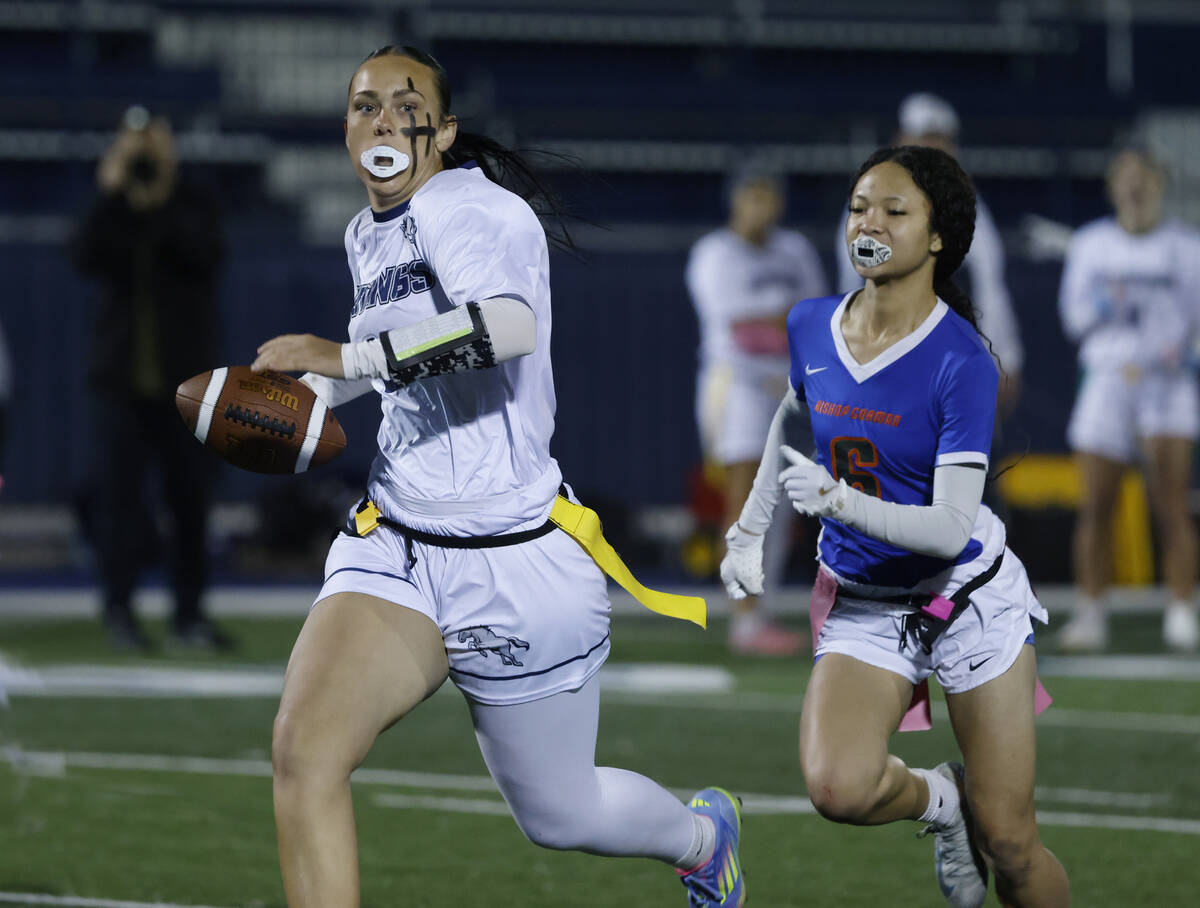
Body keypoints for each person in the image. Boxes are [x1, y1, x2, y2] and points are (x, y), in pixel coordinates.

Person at [251, 46, 744, 908]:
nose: (381, 120)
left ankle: (703, 838)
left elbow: (506, 327)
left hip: (512, 557)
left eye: (405, 106)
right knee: (304, 750)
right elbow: (398, 360)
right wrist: (313, 393)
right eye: (363, 104)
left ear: (441, 133)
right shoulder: (366, 230)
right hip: (398, 543)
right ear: (345, 129)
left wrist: (348, 353)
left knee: (560, 813)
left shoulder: (477, 209)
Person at [722, 146, 1069, 907]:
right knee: (837, 786)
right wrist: (750, 527)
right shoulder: (811, 323)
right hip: (866, 600)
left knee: (1011, 842)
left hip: (963, 598)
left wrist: (839, 502)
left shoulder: (962, 361)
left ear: (938, 236)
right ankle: (944, 802)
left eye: (892, 210)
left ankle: (982, 824)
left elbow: (948, 530)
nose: (867, 223)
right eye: (857, 208)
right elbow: (795, 409)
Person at [72, 107, 229, 651]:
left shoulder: (192, 201)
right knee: (120, 504)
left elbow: (205, 254)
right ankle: (120, 610)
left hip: (186, 384)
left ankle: (190, 614)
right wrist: (115, 194)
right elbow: (83, 254)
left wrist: (159, 197)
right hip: (122, 385)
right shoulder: (114, 209)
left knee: (189, 502)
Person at [1056, 145, 1200, 653]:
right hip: (1108, 382)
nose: (1135, 187)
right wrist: (1103, 302)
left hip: (1168, 384)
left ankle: (1181, 609)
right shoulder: (1091, 245)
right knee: (1096, 505)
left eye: (1144, 177)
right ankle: (1092, 612)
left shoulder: (1187, 247)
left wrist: (1179, 356)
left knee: (1171, 503)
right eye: (1126, 177)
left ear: (1159, 183)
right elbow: (1073, 320)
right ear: (1114, 186)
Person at [687, 166, 828, 655]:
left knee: (785, 505)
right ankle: (744, 617)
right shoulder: (714, 253)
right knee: (746, 496)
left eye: (769, 196)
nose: (762, 207)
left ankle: (760, 610)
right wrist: (781, 319)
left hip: (787, 386)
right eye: (753, 196)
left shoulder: (795, 250)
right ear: (735, 200)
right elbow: (737, 327)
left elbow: (813, 316)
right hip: (737, 384)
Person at [836, 93, 1023, 415]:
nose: (935, 150)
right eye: (925, 139)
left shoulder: (970, 207)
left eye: (942, 141)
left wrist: (1005, 357)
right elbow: (854, 293)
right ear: (901, 141)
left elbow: (990, 290)